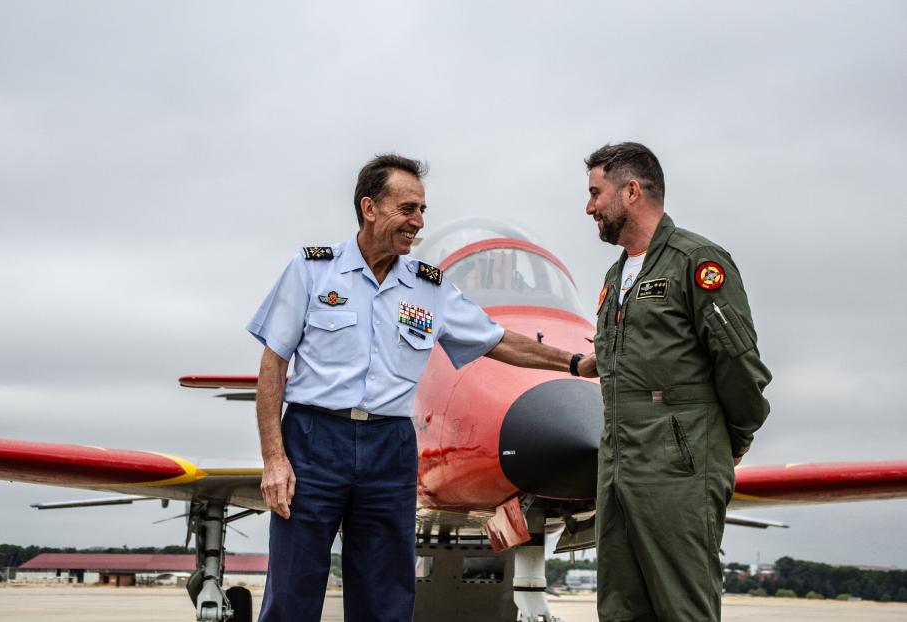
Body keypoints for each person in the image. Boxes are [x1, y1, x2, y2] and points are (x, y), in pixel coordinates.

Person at [247, 153, 596, 622]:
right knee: (292, 591)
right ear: (370, 208)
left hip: (389, 446)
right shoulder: (312, 270)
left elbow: (497, 341)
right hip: (314, 439)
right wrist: (274, 457)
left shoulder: (429, 288)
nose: (418, 222)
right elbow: (273, 365)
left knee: (386, 595)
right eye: (408, 209)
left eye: (423, 211)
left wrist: (575, 362)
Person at [584, 142, 771, 622]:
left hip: (679, 461)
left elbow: (738, 361)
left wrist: (736, 437)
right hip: (618, 462)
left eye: (595, 194)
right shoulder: (616, 275)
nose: (589, 208)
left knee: (682, 605)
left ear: (630, 192)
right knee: (620, 606)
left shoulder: (697, 261)